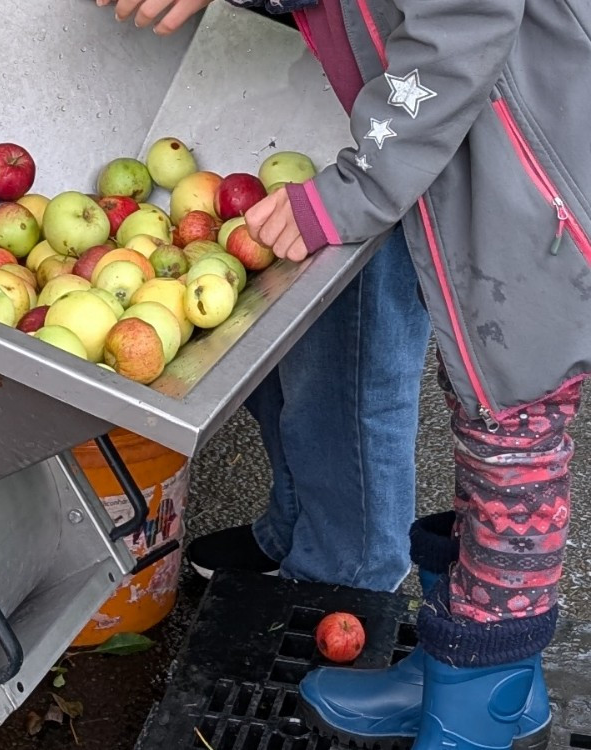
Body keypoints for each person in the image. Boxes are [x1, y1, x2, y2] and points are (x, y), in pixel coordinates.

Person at [105, 1, 589, 749]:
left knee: (514, 444)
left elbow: (464, 20)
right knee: (482, 419)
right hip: (484, 170)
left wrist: (356, 187)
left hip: (541, 190)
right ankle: (465, 674)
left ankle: (479, 718)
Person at [101, 0, 435, 598]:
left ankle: (346, 578)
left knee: (349, 366)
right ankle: (298, 522)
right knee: (274, 351)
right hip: (299, 63)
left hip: (394, 101)